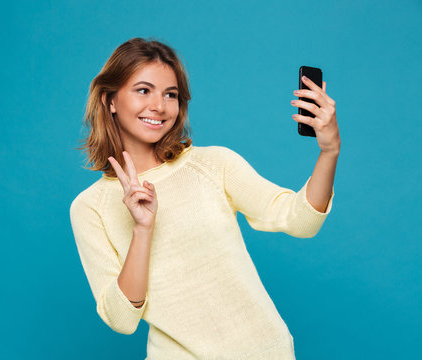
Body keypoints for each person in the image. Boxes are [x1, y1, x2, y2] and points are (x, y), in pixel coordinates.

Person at [69, 37, 340, 359]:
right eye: (143, 90)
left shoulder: (213, 164)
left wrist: (329, 150)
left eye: (170, 94)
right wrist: (142, 229)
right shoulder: (90, 208)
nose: (159, 105)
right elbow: (122, 319)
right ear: (109, 100)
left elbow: (301, 221)